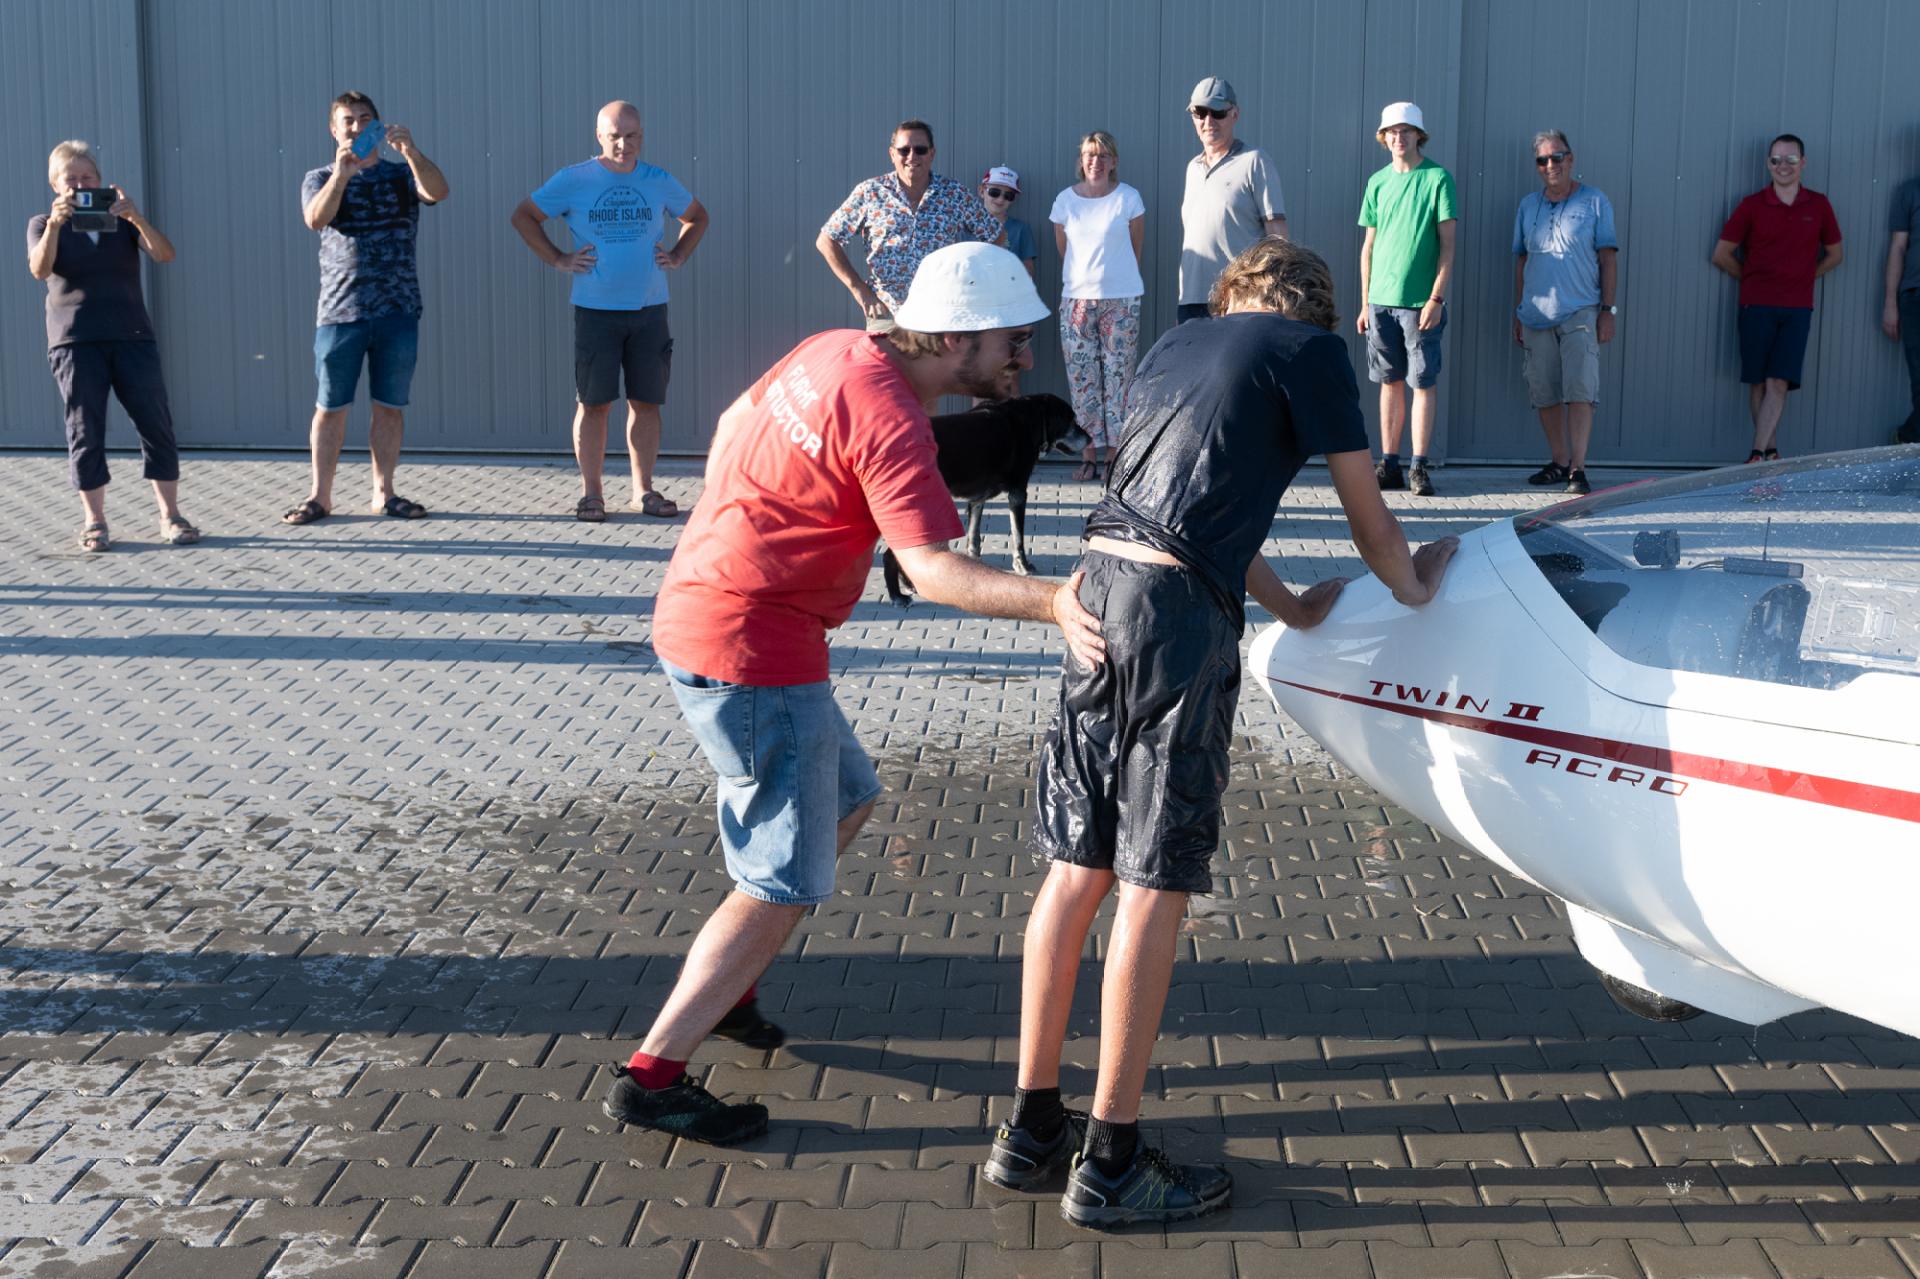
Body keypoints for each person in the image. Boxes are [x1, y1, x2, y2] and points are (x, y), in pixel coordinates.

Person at [991, 237, 1455, 1227]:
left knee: (1076, 870)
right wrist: (1416, 585)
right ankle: (1112, 1161)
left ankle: (1029, 1130)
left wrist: (1287, 605)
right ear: (1312, 309)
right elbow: (1370, 519)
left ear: (1234, 291)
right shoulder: (1311, 352)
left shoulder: (1178, 344)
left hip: (1095, 591)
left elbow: (1183, 506)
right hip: (1175, 623)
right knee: (1153, 879)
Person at [601, 243, 1106, 1145]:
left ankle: (731, 987)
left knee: (843, 799)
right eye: (1012, 341)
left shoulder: (830, 350)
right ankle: (654, 1075)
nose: (1024, 360)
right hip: (754, 649)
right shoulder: (894, 419)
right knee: (783, 878)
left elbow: (731, 424)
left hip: (708, 611)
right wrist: (1055, 603)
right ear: (953, 338)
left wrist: (754, 521)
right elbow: (933, 570)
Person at [512, 101, 708, 521]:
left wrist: (678, 254)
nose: (623, 144)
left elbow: (697, 217)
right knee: (594, 403)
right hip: (596, 311)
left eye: (631, 135)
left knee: (646, 403)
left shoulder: (658, 180)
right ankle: (592, 494)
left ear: (642, 136)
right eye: (615, 136)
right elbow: (525, 216)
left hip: (650, 310)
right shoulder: (574, 179)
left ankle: (644, 491)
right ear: (599, 136)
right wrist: (558, 258)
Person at [285, 91, 449, 526]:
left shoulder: (402, 174)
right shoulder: (319, 177)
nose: (356, 127)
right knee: (331, 407)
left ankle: (384, 493)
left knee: (389, 406)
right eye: (348, 120)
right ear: (333, 130)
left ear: (377, 124)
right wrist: (342, 175)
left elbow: (438, 191)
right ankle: (320, 497)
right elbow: (315, 219)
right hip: (340, 311)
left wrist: (412, 152)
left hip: (398, 310)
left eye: (364, 119)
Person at [27, 140, 194, 552]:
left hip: (132, 336)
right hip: (75, 341)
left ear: (100, 182)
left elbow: (165, 254)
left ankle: (171, 515)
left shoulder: (121, 221)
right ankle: (95, 521)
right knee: (85, 430)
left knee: (155, 424)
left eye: (88, 178)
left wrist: (135, 217)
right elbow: (40, 269)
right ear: (55, 185)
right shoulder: (42, 223)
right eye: (71, 179)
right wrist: (56, 226)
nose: (80, 186)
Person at [1711, 133, 1843, 462]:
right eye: (1776, 160)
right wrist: (1752, 279)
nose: (1783, 166)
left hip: (1797, 308)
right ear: (1768, 164)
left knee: (1779, 380)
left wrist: (1803, 277)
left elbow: (1836, 254)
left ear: (1803, 163)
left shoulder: (1819, 204)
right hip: (1756, 305)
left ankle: (1757, 453)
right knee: (1758, 382)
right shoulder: (1752, 205)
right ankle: (1769, 454)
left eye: (1791, 159)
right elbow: (1721, 254)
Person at [1357, 102, 1457, 497]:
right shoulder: (1377, 182)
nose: (1399, 138)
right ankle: (1389, 464)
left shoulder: (1438, 179)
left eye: (1406, 131)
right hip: (1380, 302)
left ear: (1419, 135)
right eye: (1392, 132)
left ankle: (1419, 466)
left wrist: (1436, 298)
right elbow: (1368, 246)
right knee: (1389, 382)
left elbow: (1448, 246)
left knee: (1422, 382)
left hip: (1420, 304)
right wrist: (1365, 302)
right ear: (1384, 138)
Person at [817, 120, 1003, 331]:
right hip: (886, 314)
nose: (912, 156)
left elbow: (996, 235)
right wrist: (859, 290)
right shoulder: (870, 192)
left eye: (920, 150)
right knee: (883, 356)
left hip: (942, 314)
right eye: (904, 150)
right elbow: (827, 240)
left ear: (932, 154)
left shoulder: (954, 193)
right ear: (892, 154)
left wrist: (972, 283)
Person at [1512, 130, 1618, 497]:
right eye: (1542, 160)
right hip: (1535, 315)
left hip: (1580, 313)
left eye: (1557, 157)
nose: (1550, 165)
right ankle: (1559, 461)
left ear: (1570, 159)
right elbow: (1521, 261)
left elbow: (1608, 259)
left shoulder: (1595, 201)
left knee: (1580, 391)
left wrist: (1607, 310)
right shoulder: (1528, 206)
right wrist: (1518, 311)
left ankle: (1578, 469)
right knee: (1543, 392)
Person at [1051, 130, 1145, 480]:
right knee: (1082, 380)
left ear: (1113, 161)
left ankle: (1114, 456)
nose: (1096, 161)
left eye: (1103, 155)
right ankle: (1088, 453)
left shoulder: (1128, 198)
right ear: (1081, 160)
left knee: (1119, 377)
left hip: (1121, 301)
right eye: (1090, 154)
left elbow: (1135, 249)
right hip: (1076, 301)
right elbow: (1065, 252)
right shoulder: (1065, 202)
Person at [1177, 77, 1286, 323]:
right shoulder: (1193, 168)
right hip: (1191, 300)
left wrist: (1274, 294)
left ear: (1234, 114)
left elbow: (1277, 235)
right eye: (1200, 112)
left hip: (1238, 298)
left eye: (1217, 113)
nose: (1208, 121)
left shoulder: (1255, 161)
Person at [979, 165, 1038, 397]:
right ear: (982, 190)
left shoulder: (1020, 229)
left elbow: (1028, 271)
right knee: (981, 378)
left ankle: (1012, 421)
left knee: (1009, 376)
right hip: (978, 312)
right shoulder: (967, 228)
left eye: (1008, 195)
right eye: (994, 192)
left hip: (1010, 311)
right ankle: (981, 421)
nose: (1000, 199)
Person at [1882, 170, 1920, 444]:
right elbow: (1897, 248)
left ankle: (1907, 437)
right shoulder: (1910, 191)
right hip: (1914, 297)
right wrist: (1890, 303)